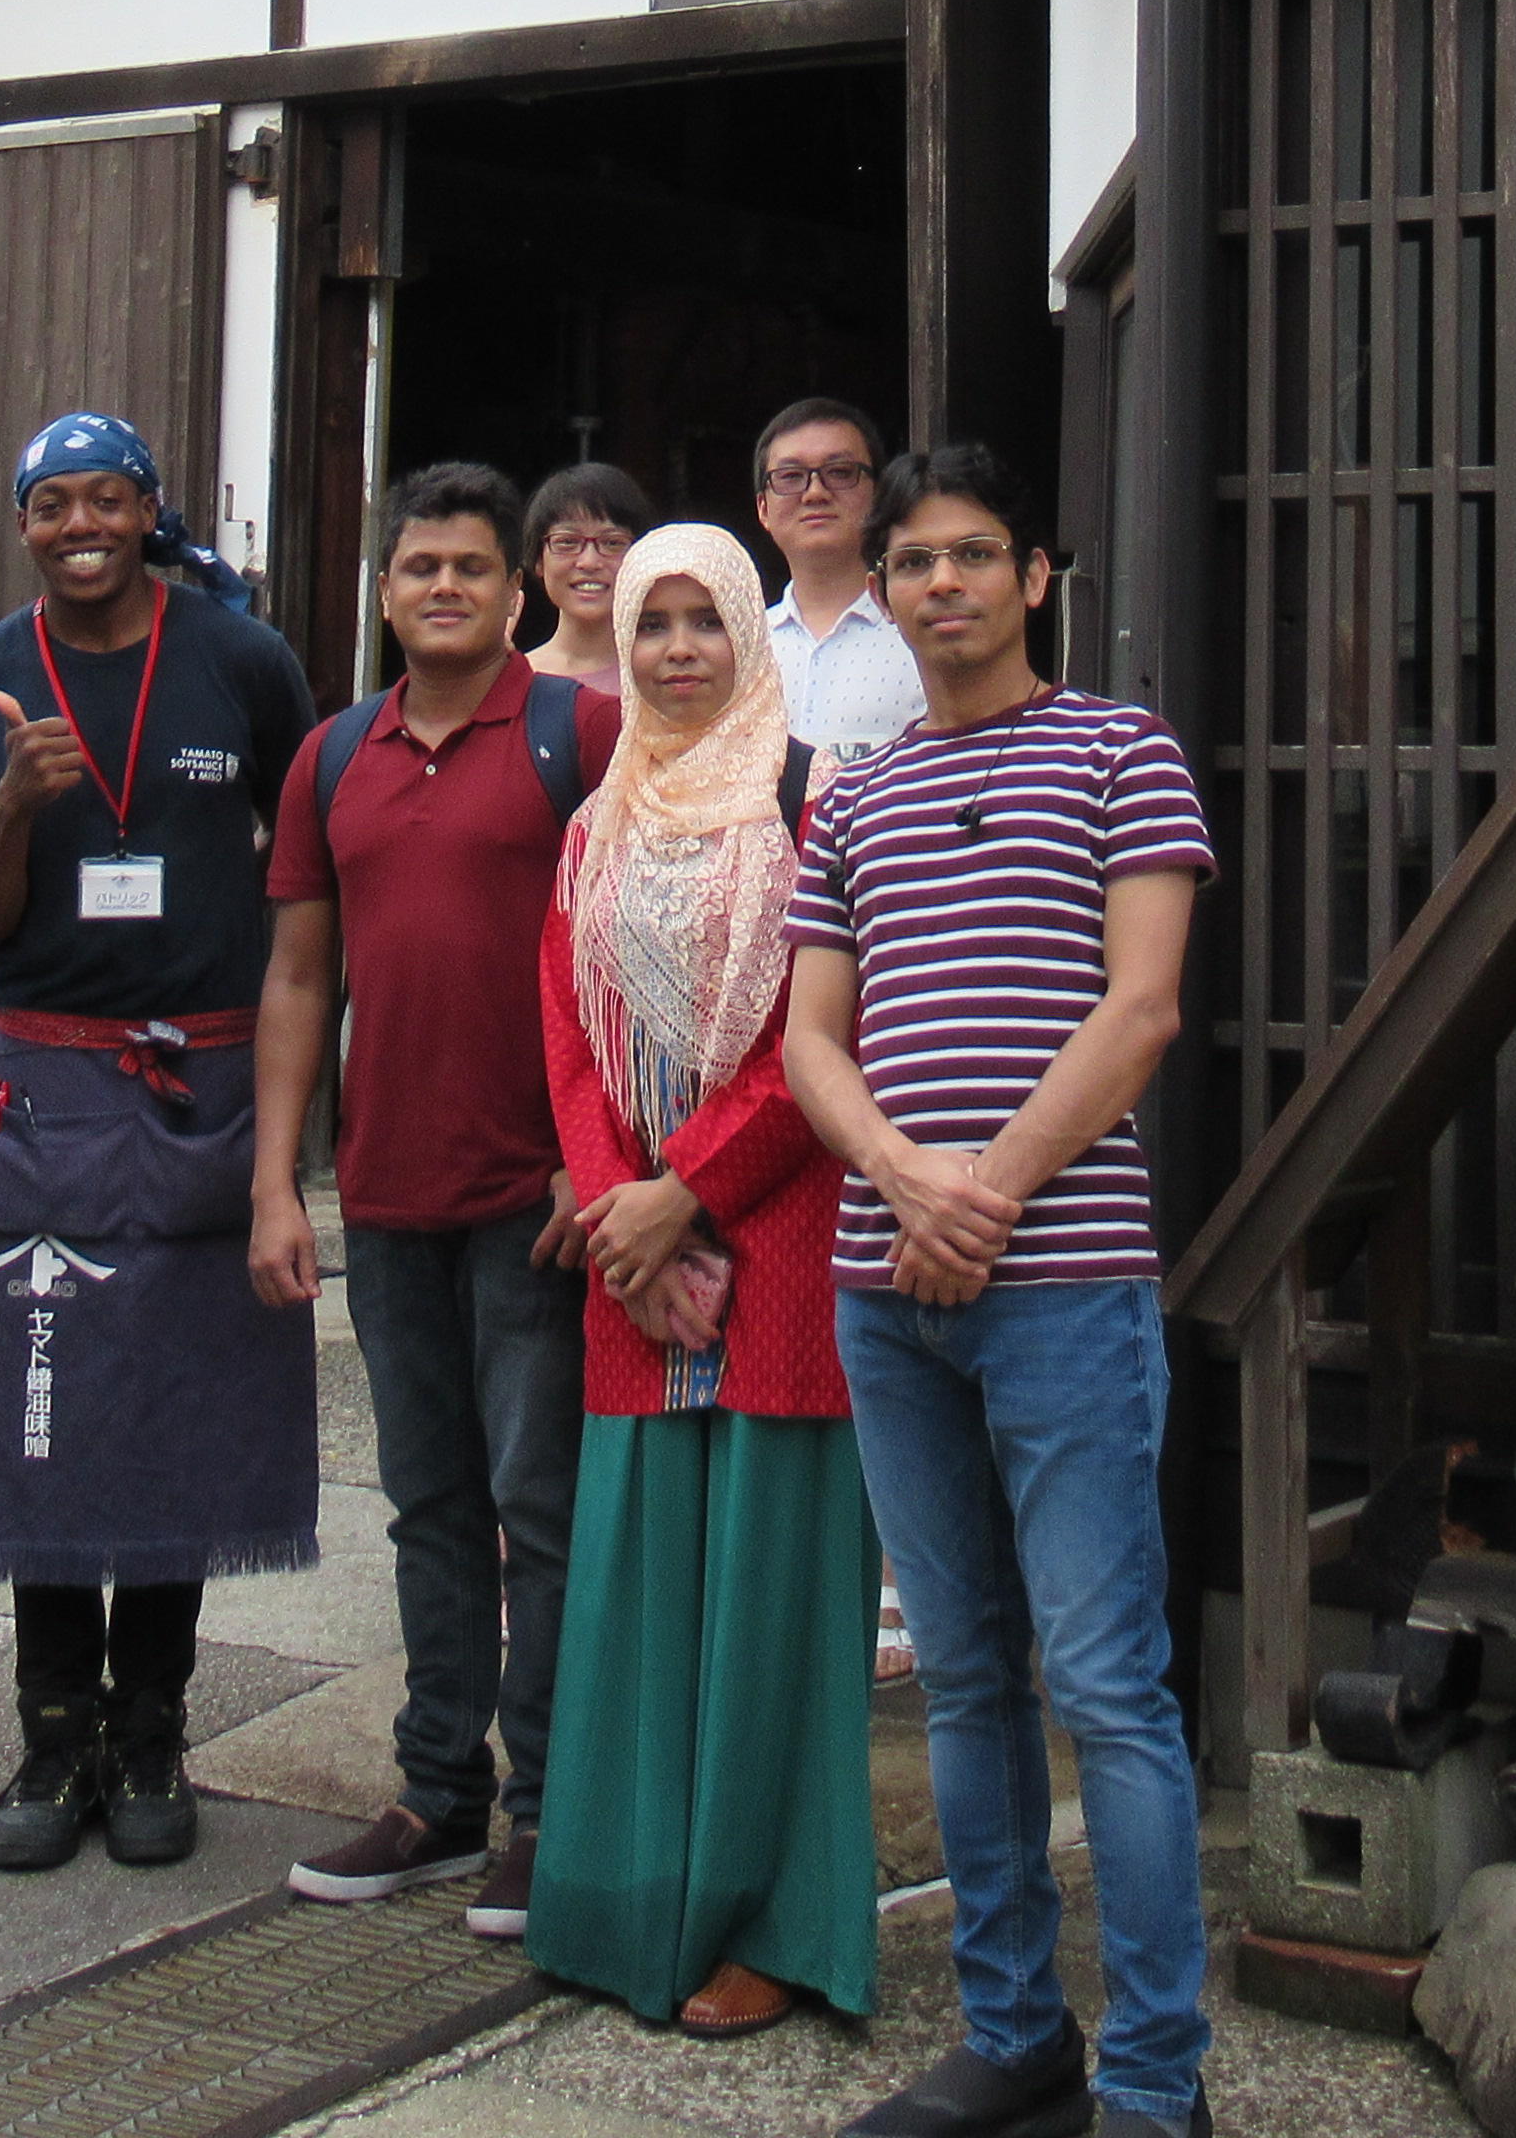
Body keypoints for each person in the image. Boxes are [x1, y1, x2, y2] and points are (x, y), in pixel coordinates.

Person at [784, 444, 1217, 2138]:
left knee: (1105, 1684)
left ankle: (1156, 2075)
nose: (941, 584)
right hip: (884, 1284)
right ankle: (1013, 2026)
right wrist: (904, 1177)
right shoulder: (853, 792)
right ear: (884, 588)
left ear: (1035, 576)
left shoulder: (1119, 748)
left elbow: (1141, 1007)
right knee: (961, 1676)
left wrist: (987, 1190)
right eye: (913, 561)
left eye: (973, 555)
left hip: (1065, 1282)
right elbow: (812, 1039)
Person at [0, 408, 321, 1874]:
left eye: (106, 499)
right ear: (22, 523)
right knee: (47, 1414)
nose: (80, 525)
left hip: (208, 1080)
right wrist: (15, 808)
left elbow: (308, 863)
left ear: (150, 510)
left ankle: (150, 1730)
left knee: (177, 1413)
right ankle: (50, 1734)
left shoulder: (242, 662)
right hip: (51, 1085)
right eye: (51, 504)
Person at [524, 523, 875, 2041]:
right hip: (634, 1263)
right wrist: (623, 1217)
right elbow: (566, 1033)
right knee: (640, 1579)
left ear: (748, 635)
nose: (676, 650)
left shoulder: (817, 799)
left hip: (782, 1240)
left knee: (773, 1592)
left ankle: (770, 1929)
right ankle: (623, 1907)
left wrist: (686, 1199)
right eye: (653, 623)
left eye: (705, 622)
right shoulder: (594, 823)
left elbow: (823, 1040)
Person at [256, 461, 600, 1931]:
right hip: (388, 1195)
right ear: (383, 591)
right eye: (420, 567)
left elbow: (639, 953)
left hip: (540, 1199)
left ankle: (550, 1808)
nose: (444, 587)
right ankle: (438, 1790)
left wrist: (608, 1155)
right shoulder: (334, 755)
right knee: (430, 1505)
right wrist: (278, 1184)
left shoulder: (581, 733)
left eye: (471, 566)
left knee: (543, 1509)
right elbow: (298, 977)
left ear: (517, 592)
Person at [750, 398, 922, 775]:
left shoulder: (922, 640)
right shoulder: (739, 648)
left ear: (878, 495)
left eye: (840, 472)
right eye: (790, 476)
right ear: (763, 508)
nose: (815, 493)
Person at [519, 460, 653, 690]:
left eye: (612, 542)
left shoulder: (662, 677)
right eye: (567, 542)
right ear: (538, 560)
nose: (589, 562)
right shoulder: (514, 680)